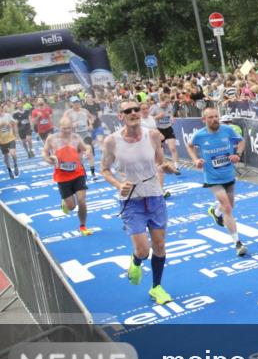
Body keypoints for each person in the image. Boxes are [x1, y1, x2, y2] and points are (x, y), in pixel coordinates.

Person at [100, 98, 180, 305]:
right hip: (131, 201)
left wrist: (167, 167)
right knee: (143, 251)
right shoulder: (111, 141)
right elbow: (104, 170)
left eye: (136, 109)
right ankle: (136, 261)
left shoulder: (153, 135)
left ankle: (157, 287)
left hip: (154, 197)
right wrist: (118, 185)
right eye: (128, 111)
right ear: (121, 116)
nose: (134, 113)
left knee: (160, 245)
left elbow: (160, 162)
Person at [191, 107, 248, 257]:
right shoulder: (200, 135)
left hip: (228, 175)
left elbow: (241, 141)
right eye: (210, 117)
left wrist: (237, 154)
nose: (214, 119)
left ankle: (215, 212)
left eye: (216, 116)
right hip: (212, 178)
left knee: (230, 205)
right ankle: (237, 243)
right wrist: (196, 159)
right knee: (228, 208)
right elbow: (190, 145)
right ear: (204, 120)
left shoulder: (227, 130)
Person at [44, 116, 95, 236]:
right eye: (64, 128)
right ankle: (65, 203)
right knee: (71, 207)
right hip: (62, 176)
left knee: (82, 201)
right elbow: (44, 152)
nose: (67, 131)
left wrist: (87, 151)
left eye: (69, 128)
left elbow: (85, 147)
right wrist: (48, 159)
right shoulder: (52, 138)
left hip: (78, 172)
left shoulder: (76, 137)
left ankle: (83, 226)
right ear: (59, 127)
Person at [65, 96, 97, 180]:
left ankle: (93, 173)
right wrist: (72, 125)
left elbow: (91, 117)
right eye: (74, 103)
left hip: (86, 134)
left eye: (77, 102)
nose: (76, 104)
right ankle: (83, 172)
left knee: (89, 152)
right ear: (71, 104)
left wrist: (90, 124)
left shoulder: (84, 111)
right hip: (75, 136)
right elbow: (63, 124)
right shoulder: (68, 113)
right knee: (79, 156)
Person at [150, 91, 182, 171]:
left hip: (168, 128)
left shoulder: (169, 106)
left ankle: (176, 166)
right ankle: (161, 165)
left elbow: (170, 113)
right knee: (160, 149)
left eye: (168, 102)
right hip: (159, 130)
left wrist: (171, 117)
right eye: (166, 102)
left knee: (173, 148)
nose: (167, 104)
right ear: (161, 100)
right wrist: (158, 117)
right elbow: (148, 120)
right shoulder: (154, 107)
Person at [0, 103, 19, 178]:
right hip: (1, 140)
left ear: (0, 107)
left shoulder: (7, 115)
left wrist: (14, 130)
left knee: (13, 153)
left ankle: (15, 165)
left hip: (10, 138)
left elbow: (14, 123)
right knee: (6, 156)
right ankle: (9, 170)